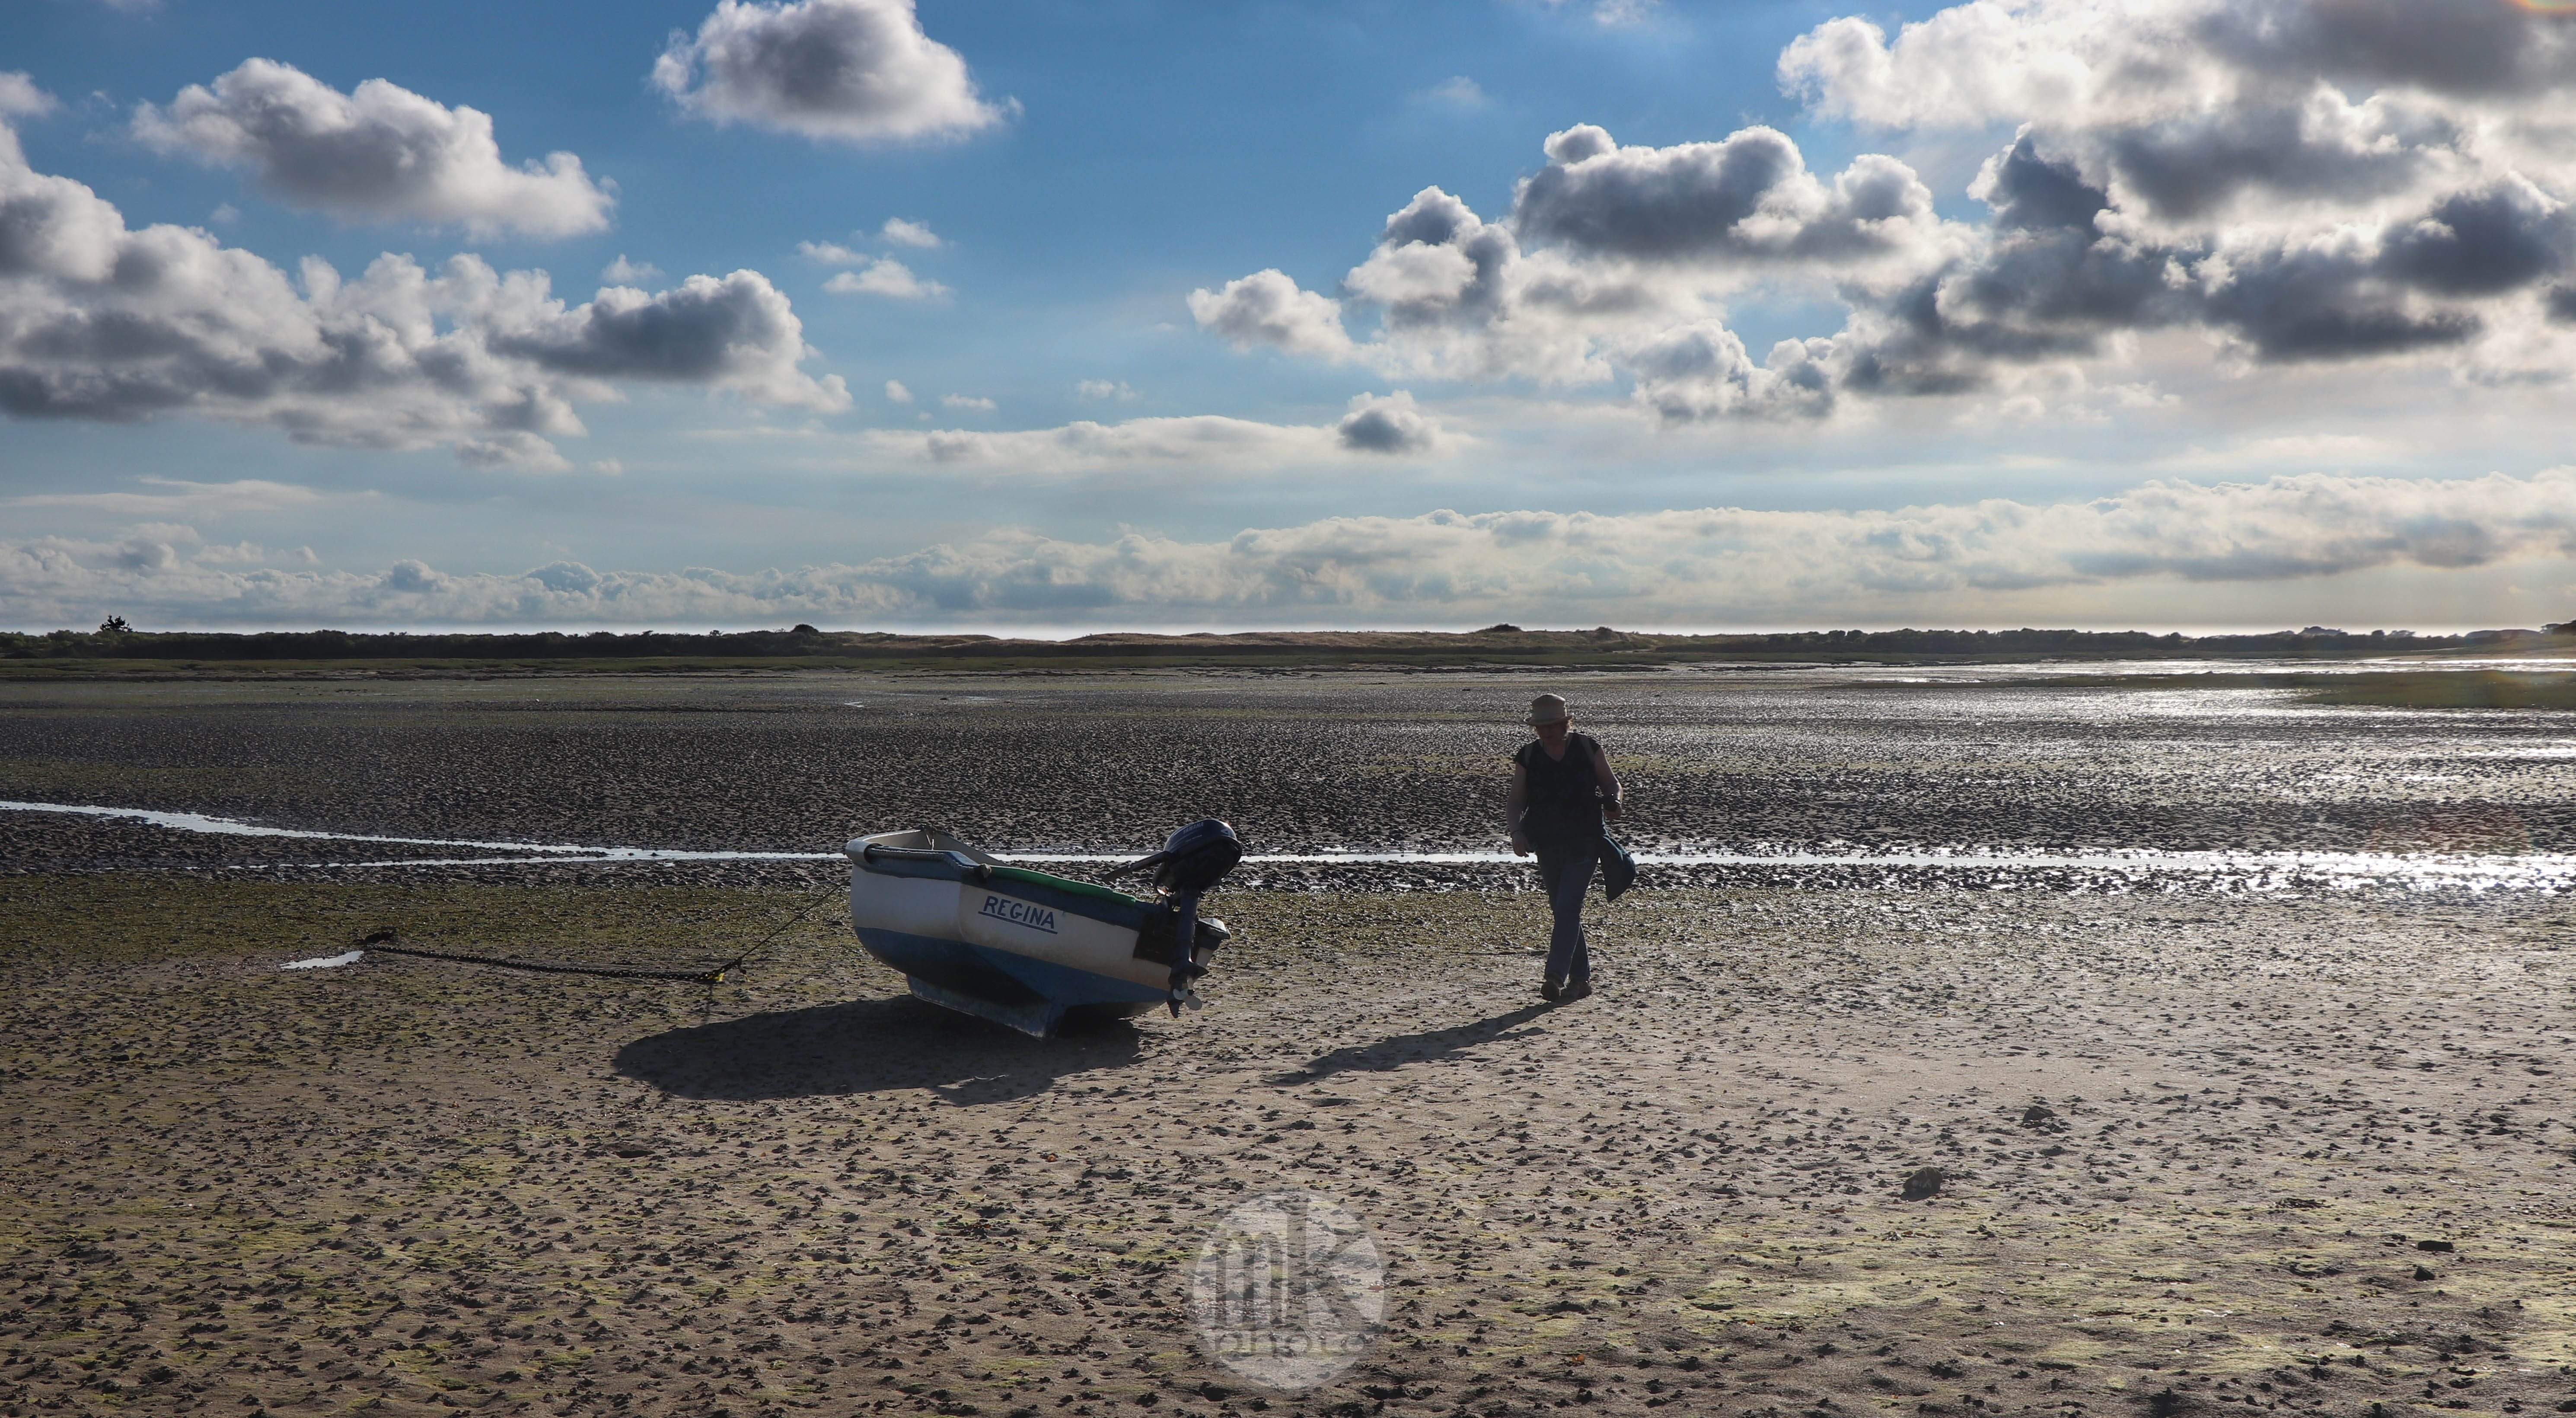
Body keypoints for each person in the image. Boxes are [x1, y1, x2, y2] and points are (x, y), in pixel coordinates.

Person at [1506, 693, 1623, 1002]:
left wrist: (1616, 803)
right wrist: (1517, 832)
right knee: (1563, 912)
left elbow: (1612, 784)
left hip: (1585, 839)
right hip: (1545, 842)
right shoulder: (1528, 756)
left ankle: (1554, 976)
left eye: (1553, 725)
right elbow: (1516, 800)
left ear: (1565, 723)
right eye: (1541, 726)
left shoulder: (1587, 747)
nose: (1547, 731)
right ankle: (1582, 980)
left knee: (1568, 908)